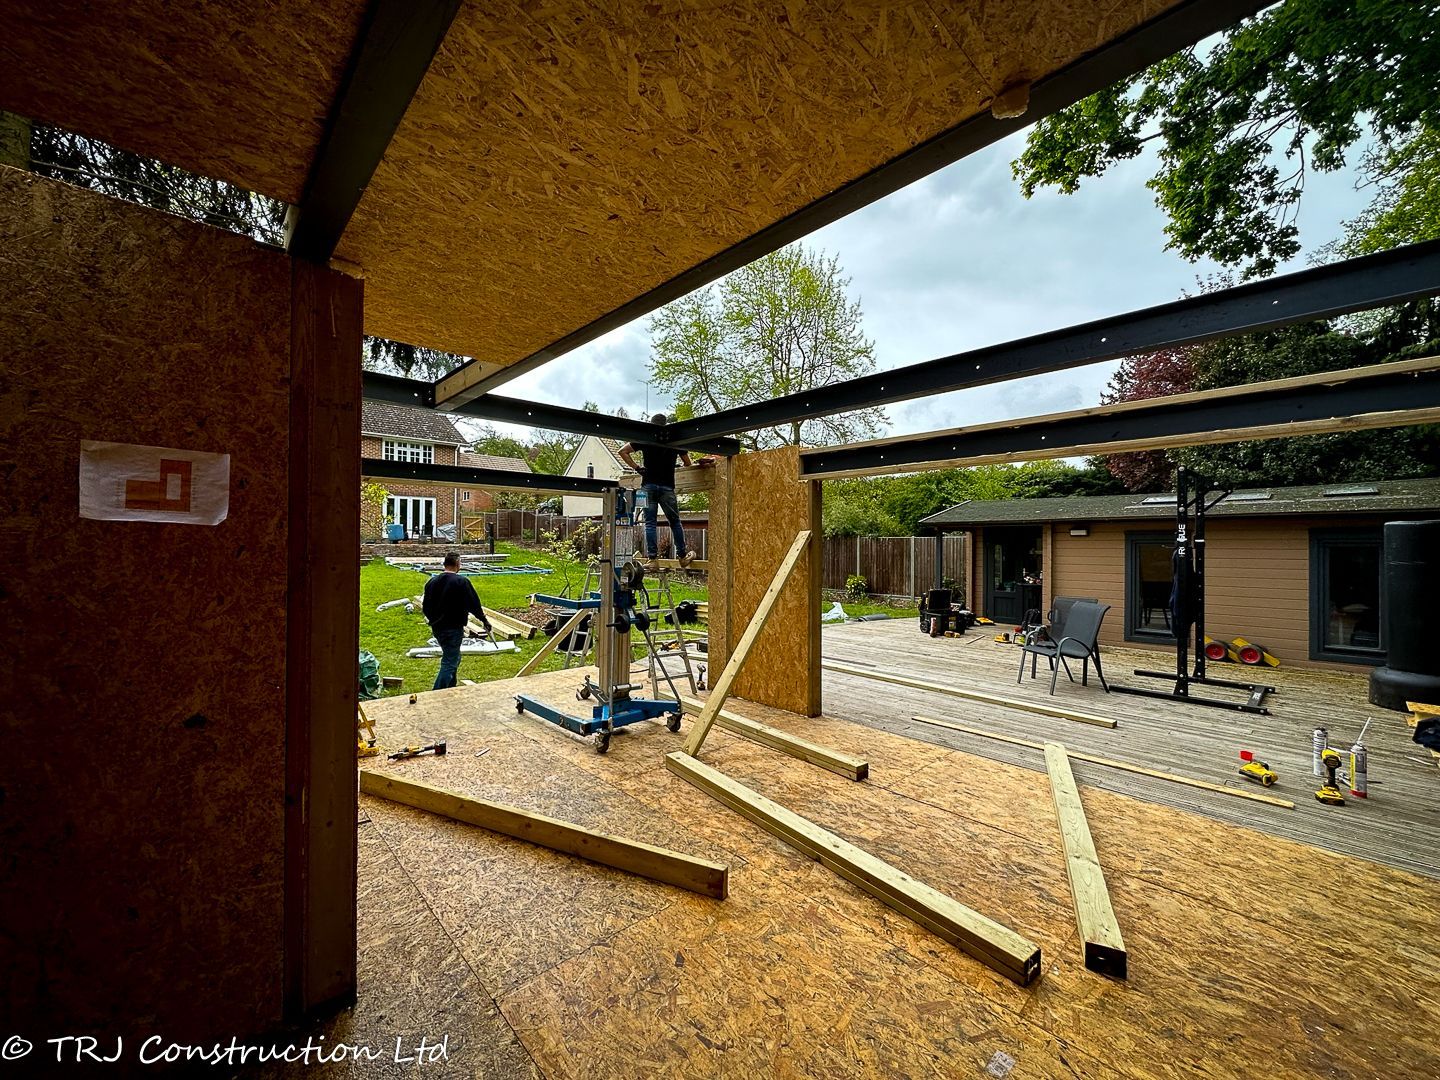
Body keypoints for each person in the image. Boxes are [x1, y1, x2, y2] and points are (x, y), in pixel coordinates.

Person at [619, 415, 707, 567]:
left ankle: (653, 559)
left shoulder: (646, 438)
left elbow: (622, 451)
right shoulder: (675, 441)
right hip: (667, 487)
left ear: (652, 425)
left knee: (650, 523)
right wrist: (675, 464)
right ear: (666, 425)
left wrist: (637, 467)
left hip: (648, 487)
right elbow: (687, 463)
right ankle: (682, 556)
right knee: (674, 522)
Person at [422, 552, 491, 690]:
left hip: (438, 628)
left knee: (454, 657)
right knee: (449, 662)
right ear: (458, 564)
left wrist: (433, 620)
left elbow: (426, 607)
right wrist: (484, 620)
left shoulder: (432, 581)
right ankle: (436, 693)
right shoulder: (462, 582)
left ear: (444, 564)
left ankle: (450, 688)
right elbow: (474, 604)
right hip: (453, 628)